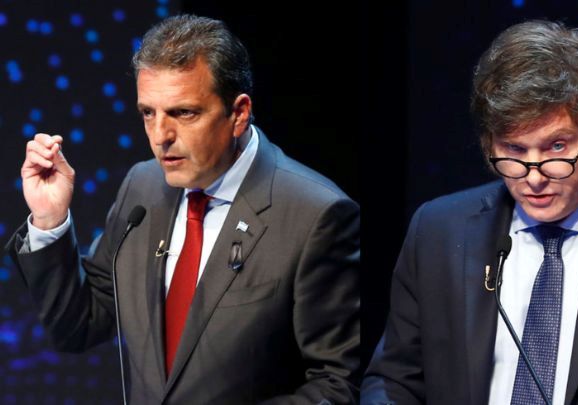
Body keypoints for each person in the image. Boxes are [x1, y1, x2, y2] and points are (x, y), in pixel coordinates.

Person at [6, 14, 360, 404]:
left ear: (239, 113)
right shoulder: (142, 186)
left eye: (184, 113)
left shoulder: (314, 214)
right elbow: (79, 326)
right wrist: (50, 219)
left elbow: (335, 384)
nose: (161, 136)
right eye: (148, 113)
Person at [361, 20, 578, 404]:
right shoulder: (439, 230)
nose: (533, 177)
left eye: (556, 147)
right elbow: (394, 379)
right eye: (514, 149)